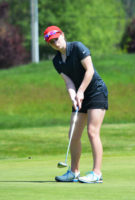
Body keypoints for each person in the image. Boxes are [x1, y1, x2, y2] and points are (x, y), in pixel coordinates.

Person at [43, 26, 108, 183]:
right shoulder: (57, 61)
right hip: (80, 93)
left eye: (56, 39)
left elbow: (90, 71)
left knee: (92, 132)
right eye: (51, 42)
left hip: (96, 91)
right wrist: (73, 96)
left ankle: (97, 173)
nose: (55, 43)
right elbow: (68, 81)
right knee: (73, 134)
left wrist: (81, 92)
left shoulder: (78, 47)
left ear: (63, 35)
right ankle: (74, 171)